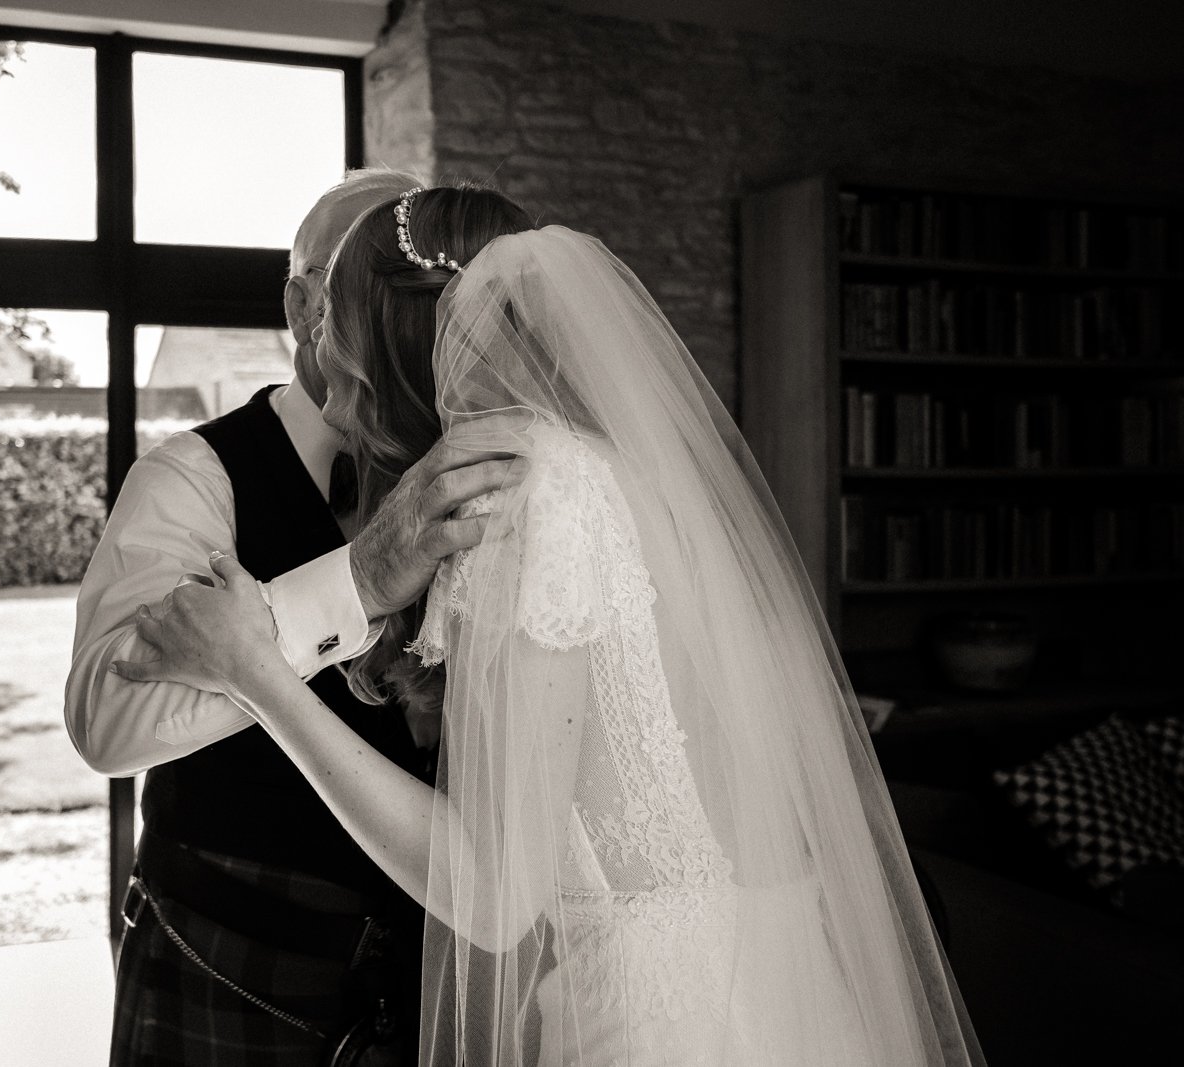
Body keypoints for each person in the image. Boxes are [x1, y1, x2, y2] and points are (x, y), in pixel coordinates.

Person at [114, 185, 987, 1064]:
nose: (330, 377)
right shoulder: (593, 469)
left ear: (397, 352)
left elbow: (495, 894)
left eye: (341, 339)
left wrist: (255, 671)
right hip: (730, 965)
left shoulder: (538, 503)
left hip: (660, 1016)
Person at [65, 169, 532, 1066]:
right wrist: (355, 581)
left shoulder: (490, 469)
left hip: (442, 982)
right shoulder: (192, 478)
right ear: (302, 302)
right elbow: (105, 722)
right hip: (229, 973)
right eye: (345, 287)